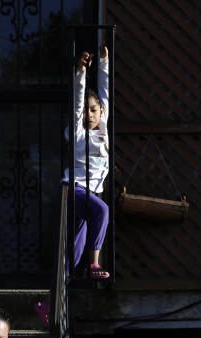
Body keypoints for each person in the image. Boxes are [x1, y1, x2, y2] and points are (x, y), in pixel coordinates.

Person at [64, 43, 111, 280]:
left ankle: (50, 298)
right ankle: (94, 264)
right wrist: (81, 72)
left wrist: (103, 63)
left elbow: (105, 93)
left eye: (93, 110)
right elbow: (78, 104)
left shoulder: (102, 127)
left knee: (76, 245)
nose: (90, 115)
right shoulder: (77, 133)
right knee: (102, 210)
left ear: (101, 111)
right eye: (86, 111)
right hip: (73, 187)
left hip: (91, 192)